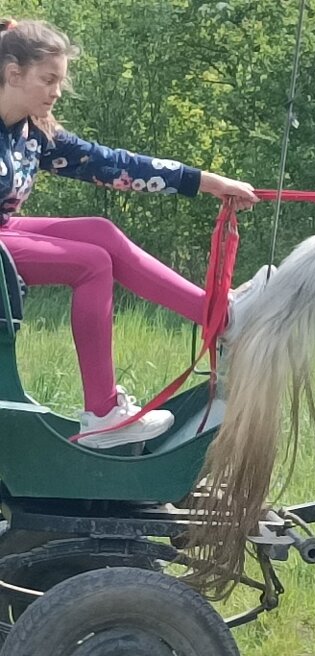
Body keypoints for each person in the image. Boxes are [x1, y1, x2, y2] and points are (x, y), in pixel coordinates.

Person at [0, 18, 260, 449]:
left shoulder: (33, 133)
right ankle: (102, 415)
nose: (57, 92)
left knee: (100, 233)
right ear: (13, 73)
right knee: (90, 264)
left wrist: (209, 183)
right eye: (48, 80)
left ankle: (218, 317)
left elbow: (113, 163)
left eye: (59, 81)